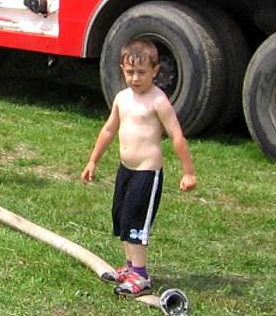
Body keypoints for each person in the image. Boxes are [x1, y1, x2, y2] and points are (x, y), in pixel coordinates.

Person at [80, 39, 197, 298]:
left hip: (147, 173)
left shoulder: (158, 101)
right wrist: (93, 160)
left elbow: (177, 136)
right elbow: (109, 129)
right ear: (122, 68)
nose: (135, 78)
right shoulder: (122, 98)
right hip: (126, 170)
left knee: (135, 222)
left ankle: (141, 276)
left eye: (142, 72)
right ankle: (131, 267)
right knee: (122, 217)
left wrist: (188, 172)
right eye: (130, 71)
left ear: (155, 71)